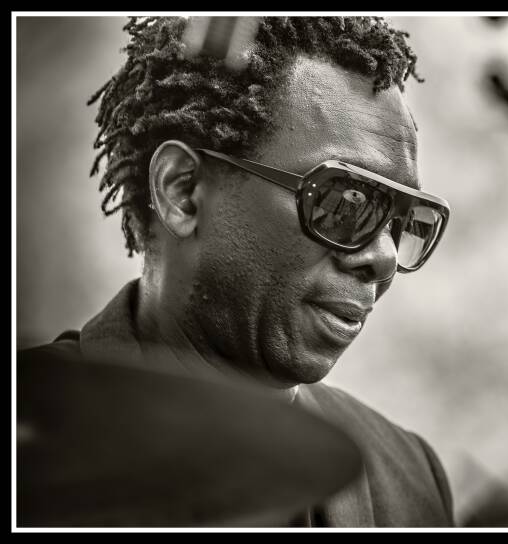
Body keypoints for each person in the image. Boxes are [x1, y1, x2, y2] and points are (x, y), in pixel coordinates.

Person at [21, 16, 453, 527]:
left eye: (403, 221)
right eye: (345, 202)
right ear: (182, 191)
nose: (383, 258)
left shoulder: (411, 475)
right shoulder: (27, 434)